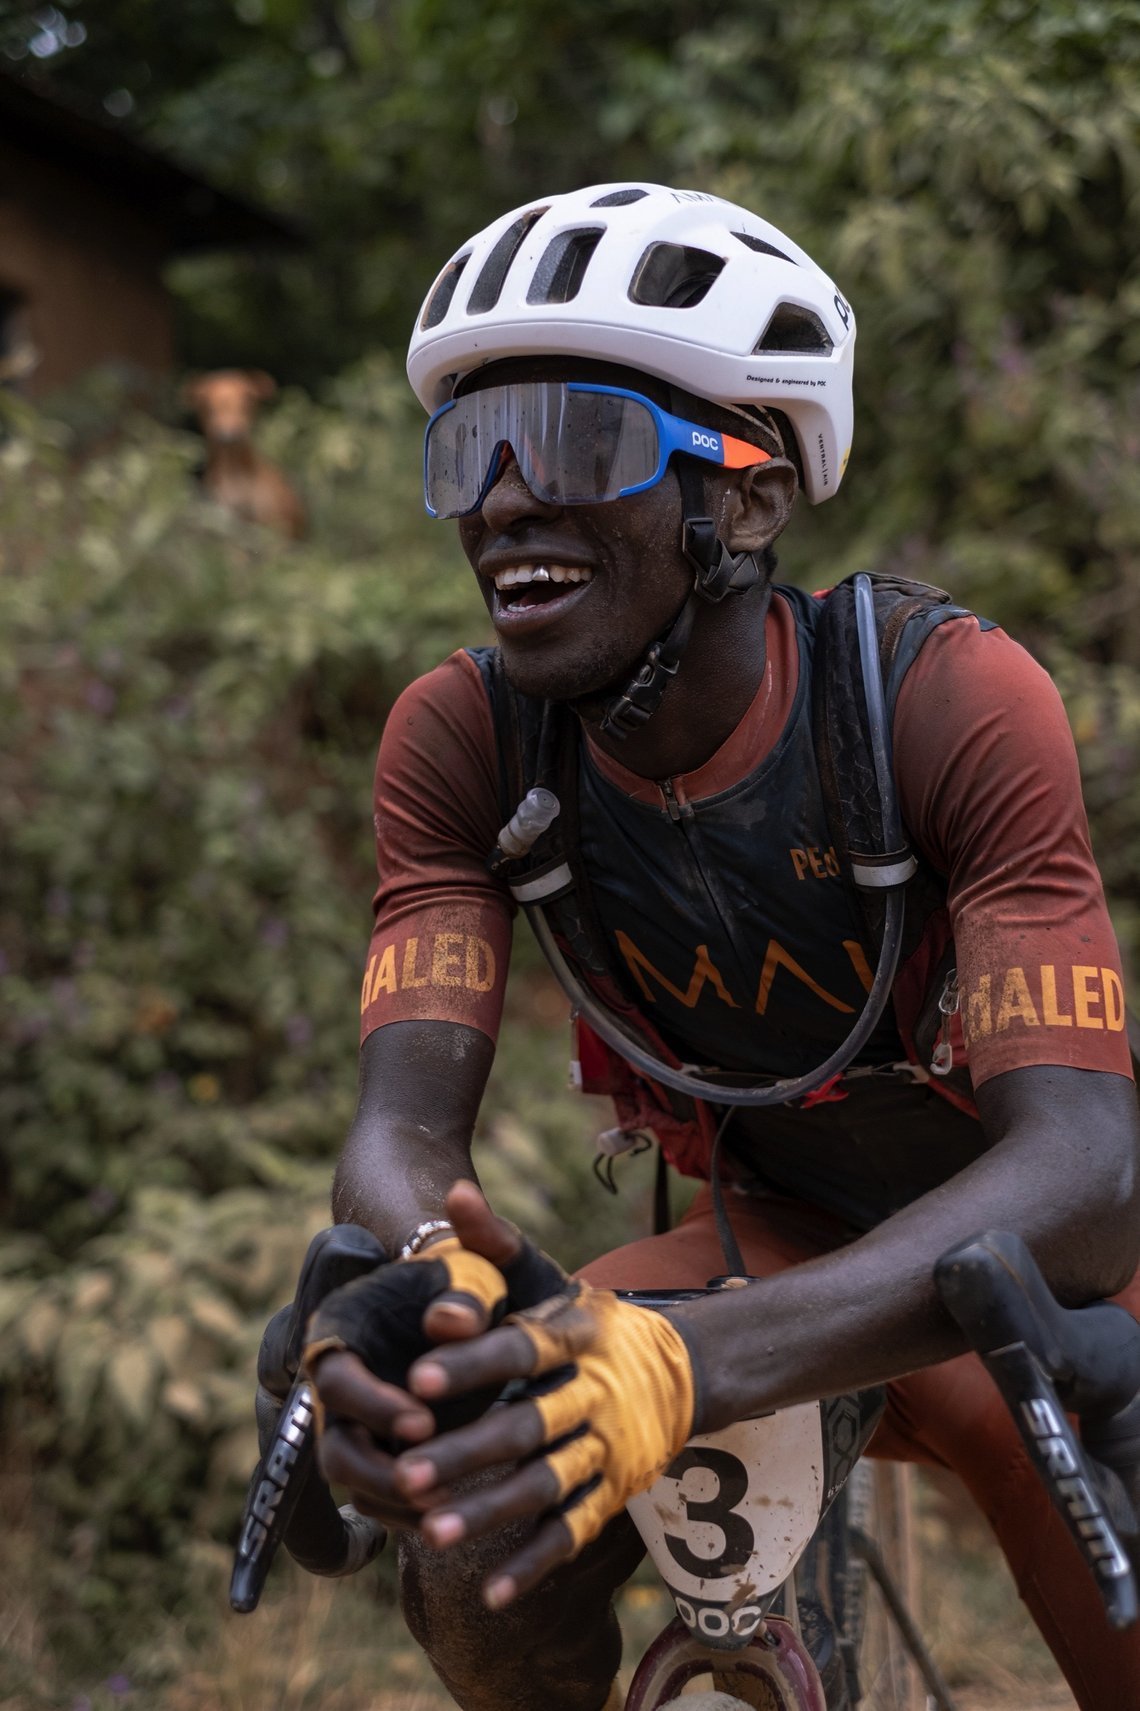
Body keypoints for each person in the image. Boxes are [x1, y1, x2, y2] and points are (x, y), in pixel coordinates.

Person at [295, 184, 1140, 1711]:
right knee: (481, 1518)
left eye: (574, 443)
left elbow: (1085, 1181)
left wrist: (684, 1366)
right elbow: (401, 1132)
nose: (499, 501)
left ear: (744, 497)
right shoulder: (464, 740)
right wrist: (427, 1297)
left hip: (1054, 1281)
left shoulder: (945, 700)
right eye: (467, 452)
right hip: (780, 1242)